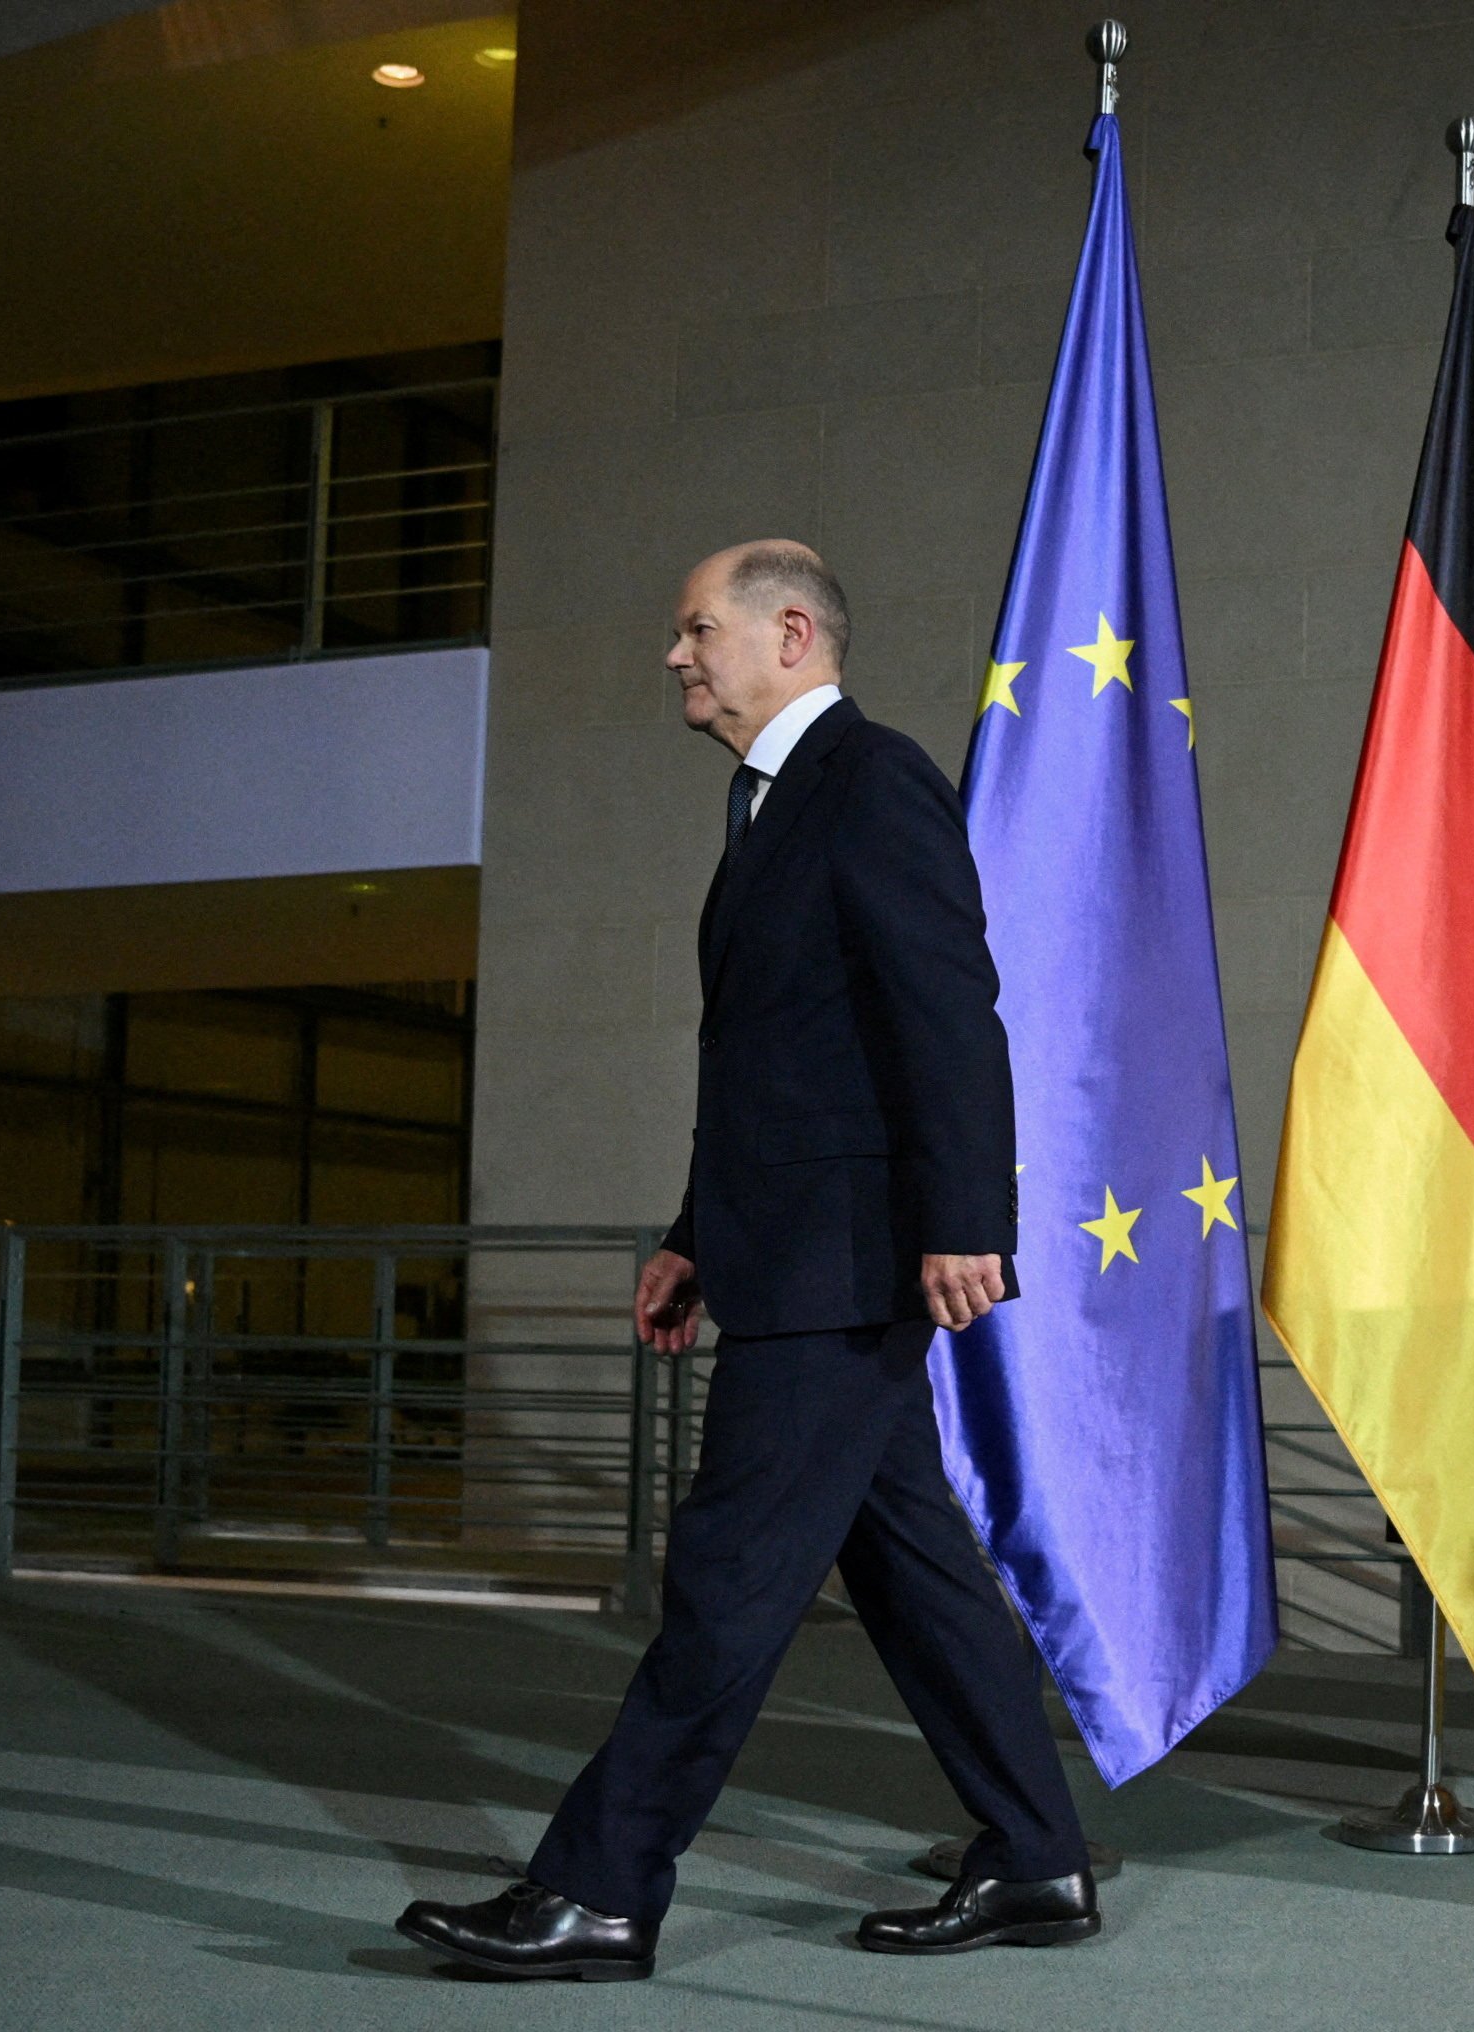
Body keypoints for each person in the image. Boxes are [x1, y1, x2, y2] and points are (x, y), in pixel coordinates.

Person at [396, 540, 1096, 1980]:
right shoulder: (765, 802)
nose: (675, 655)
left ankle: (599, 1888)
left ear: (790, 632)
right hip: (793, 1253)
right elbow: (786, 1064)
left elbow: (949, 1010)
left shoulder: (871, 779)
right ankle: (1036, 1860)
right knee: (914, 1575)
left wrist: (970, 1215)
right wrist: (698, 1237)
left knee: (726, 1577)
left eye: (695, 629)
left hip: (846, 1269)